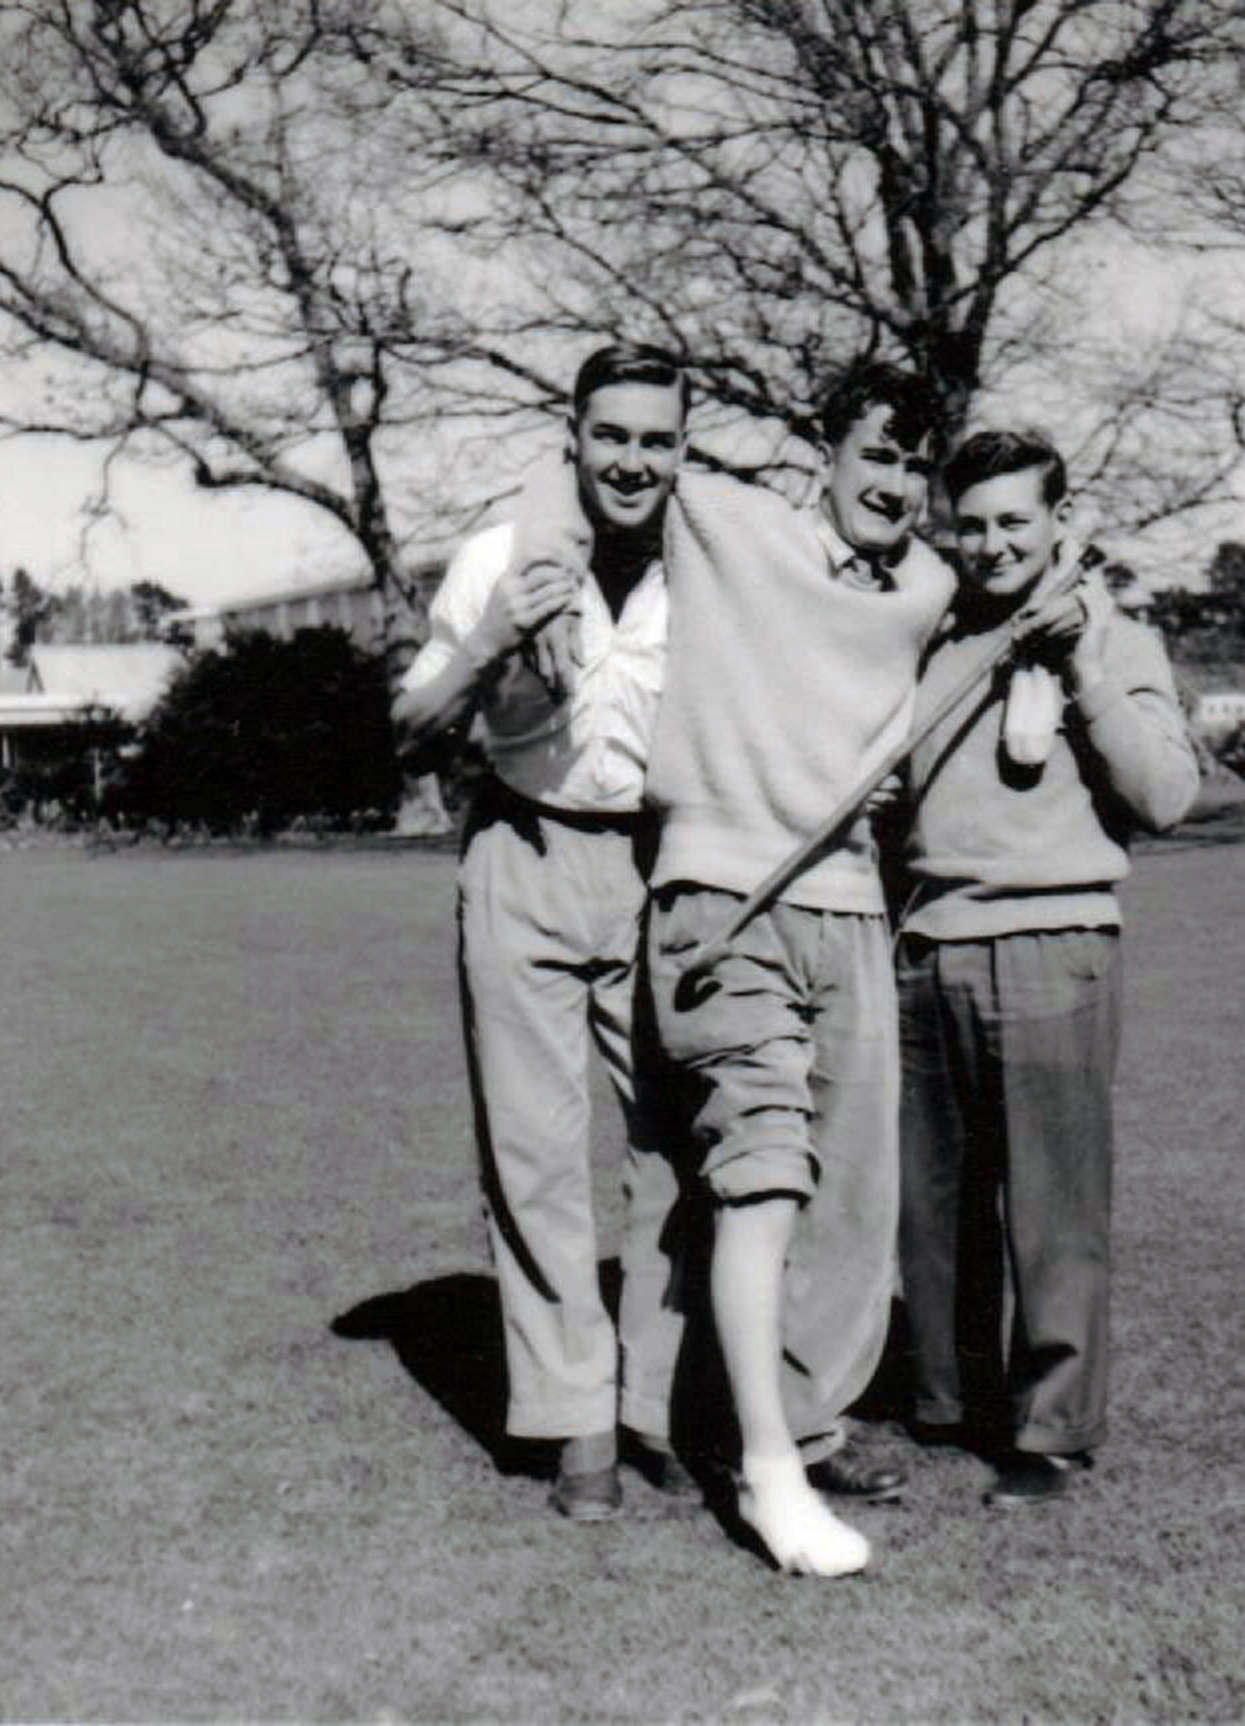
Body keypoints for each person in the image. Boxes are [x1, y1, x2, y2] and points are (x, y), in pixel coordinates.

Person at [640, 364, 958, 1576]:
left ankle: (799, 1424)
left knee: (855, 1195)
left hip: (851, 904)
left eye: (912, 463)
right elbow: (612, 472)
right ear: (821, 455)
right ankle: (769, 1473)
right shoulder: (733, 523)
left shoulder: (927, 586)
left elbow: (1029, 570)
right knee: (763, 1173)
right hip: (723, 896)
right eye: (874, 453)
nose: (894, 482)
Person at [391, 343, 692, 1523]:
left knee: (674, 1146)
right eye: (609, 434)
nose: (631, 459)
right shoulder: (496, 559)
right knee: (533, 1153)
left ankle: (660, 1395)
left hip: (659, 863)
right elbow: (410, 731)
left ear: (682, 449)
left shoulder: (707, 570)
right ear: (571, 436)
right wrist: (489, 643)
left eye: (655, 438)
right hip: (519, 852)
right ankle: (577, 1422)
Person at [894, 428, 1199, 1508]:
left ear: (1060, 521)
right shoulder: (926, 636)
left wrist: (1075, 664)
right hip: (925, 947)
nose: (989, 544)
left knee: (1053, 1208)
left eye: (1013, 519)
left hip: (1054, 944)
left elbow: (1165, 795)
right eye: (968, 523)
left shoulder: (1114, 637)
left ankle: (1052, 1429)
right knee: (929, 1207)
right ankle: (944, 1400)